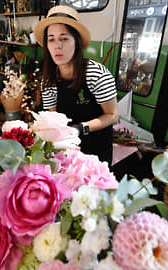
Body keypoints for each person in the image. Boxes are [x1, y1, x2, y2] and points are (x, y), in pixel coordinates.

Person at [33, 5, 118, 165]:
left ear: (76, 42)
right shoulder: (48, 80)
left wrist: (80, 128)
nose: (57, 46)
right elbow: (54, 117)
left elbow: (112, 115)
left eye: (64, 38)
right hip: (67, 149)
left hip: (96, 150)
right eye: (51, 39)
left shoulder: (97, 74)